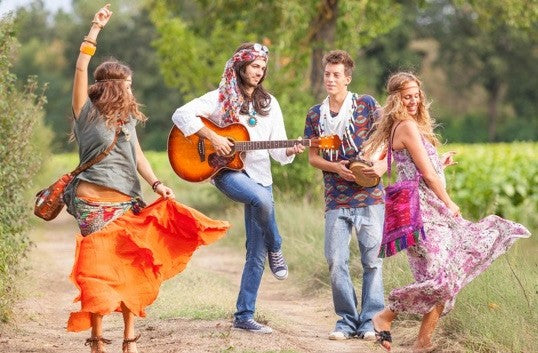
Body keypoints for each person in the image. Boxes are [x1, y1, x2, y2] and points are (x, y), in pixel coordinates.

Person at [63, 5, 229, 353]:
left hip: (126, 202)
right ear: (111, 86)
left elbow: (137, 156)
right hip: (92, 206)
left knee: (129, 267)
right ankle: (96, 339)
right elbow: (80, 66)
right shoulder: (85, 111)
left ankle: (128, 337)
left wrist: (156, 184)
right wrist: (95, 28)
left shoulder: (127, 120)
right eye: (128, 85)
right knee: (98, 273)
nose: (131, 91)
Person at [365, 72, 531, 352]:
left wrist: (440, 161)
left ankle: (423, 342)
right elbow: (427, 176)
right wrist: (449, 202)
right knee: (443, 278)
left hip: (427, 209)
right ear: (395, 99)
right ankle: (386, 314)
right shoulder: (405, 125)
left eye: (417, 95)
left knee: (446, 275)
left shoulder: (408, 126)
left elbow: (419, 167)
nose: (414, 100)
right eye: (407, 96)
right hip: (424, 213)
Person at [172, 42, 304, 334]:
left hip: (260, 174)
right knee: (261, 200)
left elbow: (279, 154)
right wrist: (213, 138)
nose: (258, 72)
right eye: (254, 66)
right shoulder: (220, 97)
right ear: (241, 66)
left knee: (255, 253)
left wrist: (292, 150)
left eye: (262, 67)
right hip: (228, 173)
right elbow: (181, 115)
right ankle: (278, 246)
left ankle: (244, 316)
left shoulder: (270, 104)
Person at [303, 50, 386, 341]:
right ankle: (346, 320)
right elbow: (313, 157)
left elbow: (386, 137)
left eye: (337, 74)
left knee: (372, 260)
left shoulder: (366, 104)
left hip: (370, 195)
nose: (330, 79)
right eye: (327, 73)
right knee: (336, 260)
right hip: (336, 197)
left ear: (348, 78)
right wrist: (335, 168)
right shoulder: (316, 115)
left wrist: (377, 162)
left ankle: (370, 321)